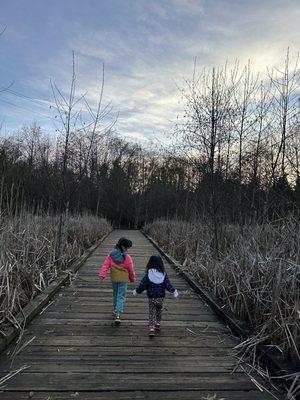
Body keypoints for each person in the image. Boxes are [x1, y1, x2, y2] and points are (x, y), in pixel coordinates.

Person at [133, 255, 179, 336]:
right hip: (160, 297)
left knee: (152, 312)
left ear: (149, 264)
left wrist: (137, 291)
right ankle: (157, 323)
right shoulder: (163, 275)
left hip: (151, 297)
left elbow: (143, 285)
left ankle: (151, 327)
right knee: (159, 311)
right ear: (161, 264)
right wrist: (174, 291)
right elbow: (167, 285)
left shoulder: (148, 274)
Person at [99, 237, 136, 324]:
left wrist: (102, 275)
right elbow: (131, 270)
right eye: (127, 248)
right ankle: (118, 314)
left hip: (114, 278)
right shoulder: (127, 258)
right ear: (123, 247)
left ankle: (115, 310)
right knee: (121, 296)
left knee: (115, 294)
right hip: (123, 279)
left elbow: (105, 265)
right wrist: (132, 278)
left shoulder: (111, 255)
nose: (128, 250)